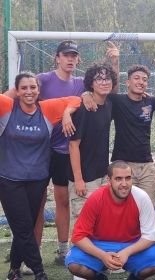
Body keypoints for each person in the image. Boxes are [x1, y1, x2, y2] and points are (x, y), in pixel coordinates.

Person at [4, 40, 119, 266]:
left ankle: (62, 249)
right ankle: (28, 252)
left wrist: (114, 61)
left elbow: (100, 91)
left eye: (74, 55)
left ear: (77, 59)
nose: (70, 59)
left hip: (63, 151)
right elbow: (15, 94)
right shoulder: (43, 79)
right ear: (57, 57)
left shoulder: (80, 83)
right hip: (38, 150)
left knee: (63, 200)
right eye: (65, 55)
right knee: (34, 204)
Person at [0, 72, 81, 280]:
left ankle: (14, 270)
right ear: (16, 92)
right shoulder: (7, 107)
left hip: (37, 180)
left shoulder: (47, 109)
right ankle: (39, 271)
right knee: (24, 227)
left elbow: (75, 99)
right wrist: (10, 94)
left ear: (39, 90)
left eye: (33, 87)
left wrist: (66, 113)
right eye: (24, 88)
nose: (29, 92)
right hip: (9, 180)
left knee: (23, 226)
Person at [65, 161, 155, 280]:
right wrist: (102, 255)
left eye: (128, 178)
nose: (124, 184)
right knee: (75, 265)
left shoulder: (141, 197)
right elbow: (78, 237)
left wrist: (126, 252)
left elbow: (151, 237)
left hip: (131, 245)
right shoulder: (96, 198)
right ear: (109, 180)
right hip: (99, 245)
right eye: (118, 179)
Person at [107, 62, 155, 207]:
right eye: (136, 78)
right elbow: (110, 88)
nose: (140, 82)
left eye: (144, 79)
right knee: (122, 208)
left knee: (148, 207)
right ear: (127, 82)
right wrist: (115, 59)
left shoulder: (150, 101)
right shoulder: (117, 101)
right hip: (122, 164)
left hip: (146, 165)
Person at [68, 62, 117, 221]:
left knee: (102, 224)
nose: (104, 82)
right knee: (83, 229)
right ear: (91, 83)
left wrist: (115, 59)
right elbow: (73, 145)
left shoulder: (109, 104)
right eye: (99, 79)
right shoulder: (83, 109)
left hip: (102, 175)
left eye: (107, 78)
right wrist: (78, 179)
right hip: (84, 179)